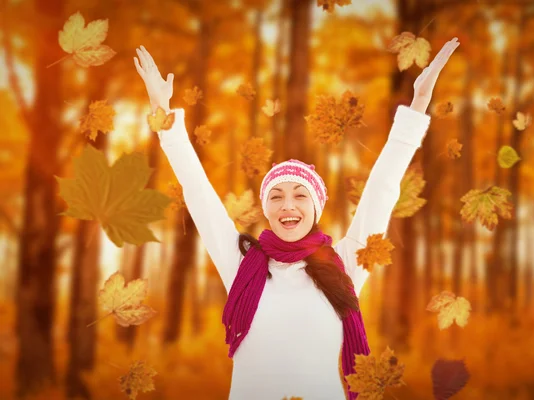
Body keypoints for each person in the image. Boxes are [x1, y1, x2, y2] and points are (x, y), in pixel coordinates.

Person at [134, 37, 459, 400]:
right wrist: (166, 122)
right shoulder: (242, 264)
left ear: (316, 209)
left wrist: (417, 106)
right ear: (267, 210)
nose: (288, 205)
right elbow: (199, 194)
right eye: (276, 196)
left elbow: (381, 190)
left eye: (300, 196)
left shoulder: (345, 265)